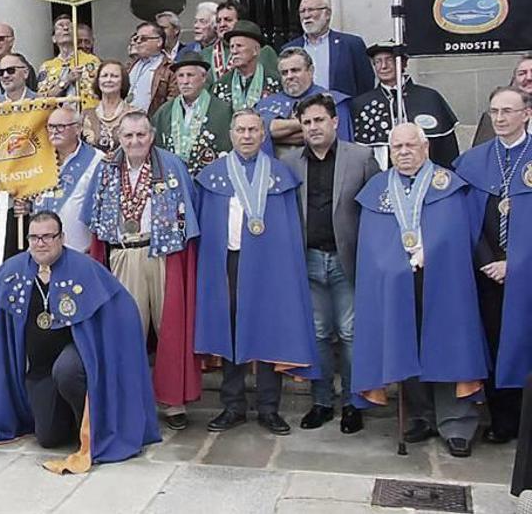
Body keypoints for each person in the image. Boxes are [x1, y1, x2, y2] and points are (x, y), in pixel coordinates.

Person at [0, 211, 160, 473]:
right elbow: (5, 331)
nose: (41, 243)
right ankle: (65, 420)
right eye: (34, 237)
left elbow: (122, 308)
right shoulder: (15, 271)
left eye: (48, 237)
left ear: (62, 238)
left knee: (66, 370)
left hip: (76, 361)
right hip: (41, 371)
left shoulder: (83, 268)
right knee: (48, 439)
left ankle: (89, 426)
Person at [353, 123, 488, 458]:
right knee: (404, 346)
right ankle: (421, 415)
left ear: (425, 147)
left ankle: (456, 422)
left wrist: (433, 250)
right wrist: (389, 265)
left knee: (448, 344)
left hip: (443, 280)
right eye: (397, 147)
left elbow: (459, 232)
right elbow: (370, 243)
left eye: (411, 145)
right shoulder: (378, 189)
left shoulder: (446, 184)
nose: (404, 152)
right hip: (397, 283)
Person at [194, 109, 320, 436]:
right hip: (228, 263)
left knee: (268, 330)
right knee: (230, 329)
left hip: (269, 265)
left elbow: (292, 228)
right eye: (241, 130)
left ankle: (268, 407)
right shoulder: (214, 175)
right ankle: (232, 405)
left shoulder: (279, 175)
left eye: (253, 130)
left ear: (263, 135)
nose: (247, 136)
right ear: (231, 134)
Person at [84, 112, 202, 429]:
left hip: (163, 253)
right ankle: (129, 399)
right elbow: (92, 216)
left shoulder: (171, 165)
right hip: (124, 254)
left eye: (140, 135)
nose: (134, 142)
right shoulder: (107, 169)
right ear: (119, 138)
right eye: (128, 136)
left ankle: (173, 402)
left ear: (151, 136)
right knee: (127, 329)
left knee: (170, 326)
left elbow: (189, 213)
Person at [279, 93, 378, 434]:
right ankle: (321, 401)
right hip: (307, 259)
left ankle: (353, 402)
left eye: (319, 120)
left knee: (350, 333)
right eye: (306, 122)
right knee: (319, 333)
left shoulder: (361, 157)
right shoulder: (291, 162)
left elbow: (375, 209)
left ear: (334, 121)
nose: (313, 127)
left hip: (346, 258)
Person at [454, 86, 532, 444]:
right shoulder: (475, 160)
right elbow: (465, 218)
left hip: (526, 273)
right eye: (495, 112)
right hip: (485, 272)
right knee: (494, 342)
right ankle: (502, 421)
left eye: (508, 111)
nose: (500, 119)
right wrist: (488, 261)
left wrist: (514, 264)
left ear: (526, 114)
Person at [351, 42, 460, 170]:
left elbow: (447, 151)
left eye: (389, 60)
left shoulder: (429, 98)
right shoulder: (362, 104)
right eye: (378, 62)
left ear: (404, 63)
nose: (383, 66)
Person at [25, 105, 103, 252]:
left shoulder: (97, 160)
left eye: (60, 127)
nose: (54, 132)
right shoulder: (37, 160)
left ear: (78, 129)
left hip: (79, 252)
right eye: (51, 127)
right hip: (40, 252)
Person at [256, 47, 353, 157]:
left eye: (295, 70)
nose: (289, 76)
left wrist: (277, 137)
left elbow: (340, 145)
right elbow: (260, 132)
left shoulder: (334, 101)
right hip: (274, 170)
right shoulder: (265, 104)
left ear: (310, 71)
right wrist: (306, 123)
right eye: (284, 73)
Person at [152, 52, 234, 176]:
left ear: (203, 77)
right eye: (180, 76)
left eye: (190, 75)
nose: (185, 81)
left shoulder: (223, 110)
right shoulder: (164, 112)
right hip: (173, 181)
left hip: (211, 180)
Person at [281, 0, 374, 97]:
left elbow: (366, 85)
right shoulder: (290, 49)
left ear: (327, 14)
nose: (306, 15)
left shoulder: (352, 44)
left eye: (311, 10)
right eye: (302, 11)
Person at [211, 20, 282, 110]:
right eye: (232, 47)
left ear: (256, 50)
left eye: (239, 46)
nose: (234, 51)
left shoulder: (275, 82)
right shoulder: (222, 85)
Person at [201, 1, 280, 81]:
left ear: (241, 22)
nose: (222, 25)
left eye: (228, 20)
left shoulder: (264, 51)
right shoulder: (205, 54)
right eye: (218, 21)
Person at [38, 15, 100, 110]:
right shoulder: (47, 67)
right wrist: (66, 81)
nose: (66, 28)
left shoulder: (92, 61)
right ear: (54, 38)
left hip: (86, 117)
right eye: (60, 26)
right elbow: (41, 99)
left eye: (70, 26)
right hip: (57, 119)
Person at [473, 54, 532, 146]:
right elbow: (480, 155)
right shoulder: (494, 115)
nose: (529, 77)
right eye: (522, 73)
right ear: (514, 79)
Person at [126, 22, 178, 115]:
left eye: (143, 38)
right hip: (126, 121)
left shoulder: (170, 68)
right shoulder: (131, 65)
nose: (138, 42)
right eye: (136, 38)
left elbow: (172, 104)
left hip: (151, 123)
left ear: (159, 42)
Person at [81, 59, 133, 153]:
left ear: (123, 81)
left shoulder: (135, 114)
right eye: (104, 76)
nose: (109, 80)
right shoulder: (86, 115)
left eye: (114, 76)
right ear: (98, 81)